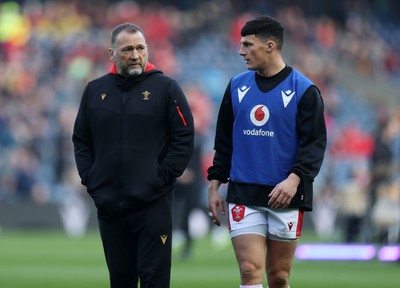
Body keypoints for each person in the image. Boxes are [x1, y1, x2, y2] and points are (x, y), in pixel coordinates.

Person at [207, 15, 327, 288]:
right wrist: (215, 185)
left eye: (248, 45)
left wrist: (294, 180)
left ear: (270, 46)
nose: (241, 52)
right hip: (243, 192)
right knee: (249, 271)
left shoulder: (304, 90)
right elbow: (224, 142)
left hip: (284, 195)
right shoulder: (237, 86)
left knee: (279, 277)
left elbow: (314, 145)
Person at [72, 23, 194, 288]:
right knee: (121, 282)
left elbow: (184, 138)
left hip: (153, 205)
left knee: (155, 281)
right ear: (112, 53)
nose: (135, 55)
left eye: (140, 48)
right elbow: (81, 141)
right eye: (127, 49)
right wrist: (92, 180)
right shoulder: (94, 90)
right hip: (110, 206)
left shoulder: (167, 88)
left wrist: (159, 179)